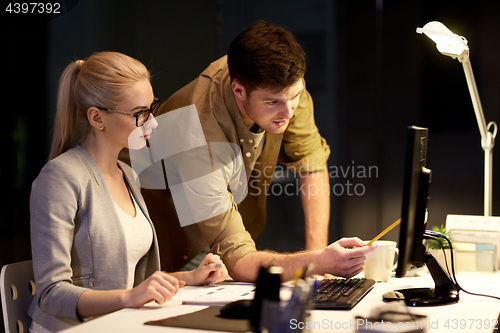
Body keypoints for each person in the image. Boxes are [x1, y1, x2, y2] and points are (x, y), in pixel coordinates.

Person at [137, 21, 376, 282]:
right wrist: (314, 263)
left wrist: (317, 258)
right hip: (168, 244)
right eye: (273, 102)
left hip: (226, 239)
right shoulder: (198, 134)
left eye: (295, 95)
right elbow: (239, 260)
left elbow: (311, 163)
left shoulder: (282, 84)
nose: (289, 112)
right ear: (239, 90)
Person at [29, 51, 228, 333]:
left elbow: (131, 284)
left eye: (152, 108)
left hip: (120, 324)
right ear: (97, 118)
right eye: (140, 114)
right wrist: (130, 298)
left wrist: (191, 277)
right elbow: (50, 293)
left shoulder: (127, 173)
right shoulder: (59, 178)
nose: (153, 122)